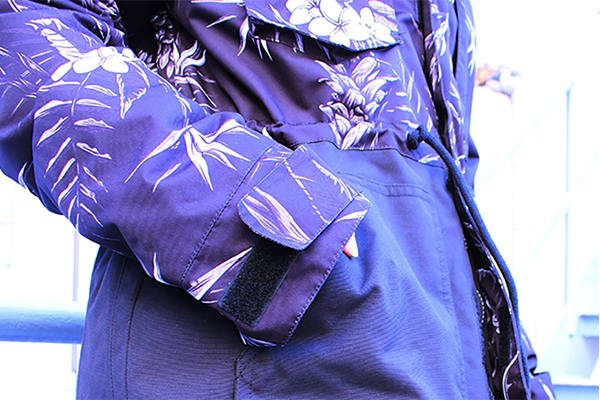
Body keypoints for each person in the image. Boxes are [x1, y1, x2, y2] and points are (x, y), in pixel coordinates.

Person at [0, 0, 553, 398]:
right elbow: (21, 30)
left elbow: (445, 201)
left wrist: (513, 370)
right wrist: (264, 235)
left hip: (431, 363)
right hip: (258, 361)